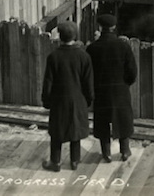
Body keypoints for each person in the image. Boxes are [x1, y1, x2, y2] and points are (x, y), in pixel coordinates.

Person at [41, 21, 94, 172]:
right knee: (75, 130)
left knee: (57, 132)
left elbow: (48, 82)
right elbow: (88, 82)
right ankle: (74, 161)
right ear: (75, 36)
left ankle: (55, 162)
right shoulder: (84, 57)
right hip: (78, 99)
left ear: (60, 37)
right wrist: (89, 99)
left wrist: (46, 101)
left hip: (59, 100)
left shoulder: (54, 57)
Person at [87, 14, 137, 163]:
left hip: (101, 90)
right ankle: (125, 150)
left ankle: (106, 152)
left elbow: (88, 72)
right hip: (120, 89)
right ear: (114, 27)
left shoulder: (92, 48)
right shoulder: (124, 46)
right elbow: (132, 71)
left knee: (102, 119)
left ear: (100, 27)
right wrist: (125, 83)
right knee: (123, 118)